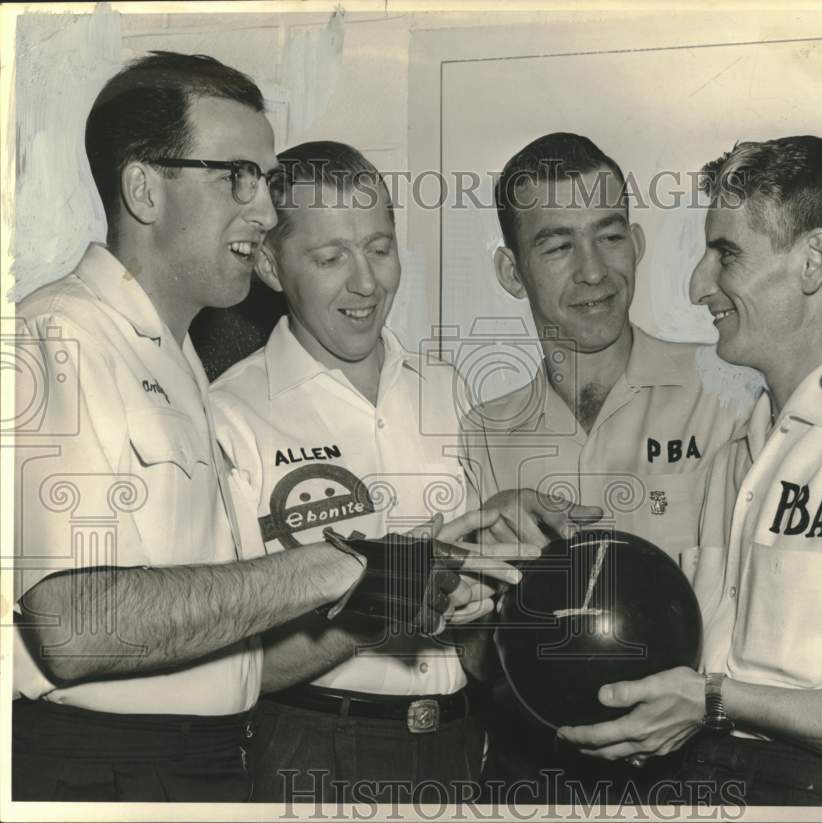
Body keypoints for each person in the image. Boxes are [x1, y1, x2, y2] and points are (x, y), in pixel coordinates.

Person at [11, 53, 518, 803]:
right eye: (236, 176)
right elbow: (72, 622)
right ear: (143, 187)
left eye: (264, 176)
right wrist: (346, 564)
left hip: (203, 760)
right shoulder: (60, 333)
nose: (262, 209)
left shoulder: (171, 352)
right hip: (113, 768)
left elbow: (219, 626)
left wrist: (416, 582)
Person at [459, 131, 822, 802]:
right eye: (557, 244)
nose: (594, 271)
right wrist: (467, 597)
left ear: (634, 242)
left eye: (609, 236)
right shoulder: (481, 430)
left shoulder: (731, 382)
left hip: (704, 767)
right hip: (548, 768)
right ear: (513, 272)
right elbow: (481, 656)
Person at [208, 141, 589, 805]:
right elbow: (236, 667)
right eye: (331, 258)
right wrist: (386, 604)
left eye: (380, 248)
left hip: (461, 744)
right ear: (270, 263)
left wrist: (507, 575)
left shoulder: (448, 389)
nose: (367, 282)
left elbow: (477, 641)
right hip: (312, 749)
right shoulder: (230, 415)